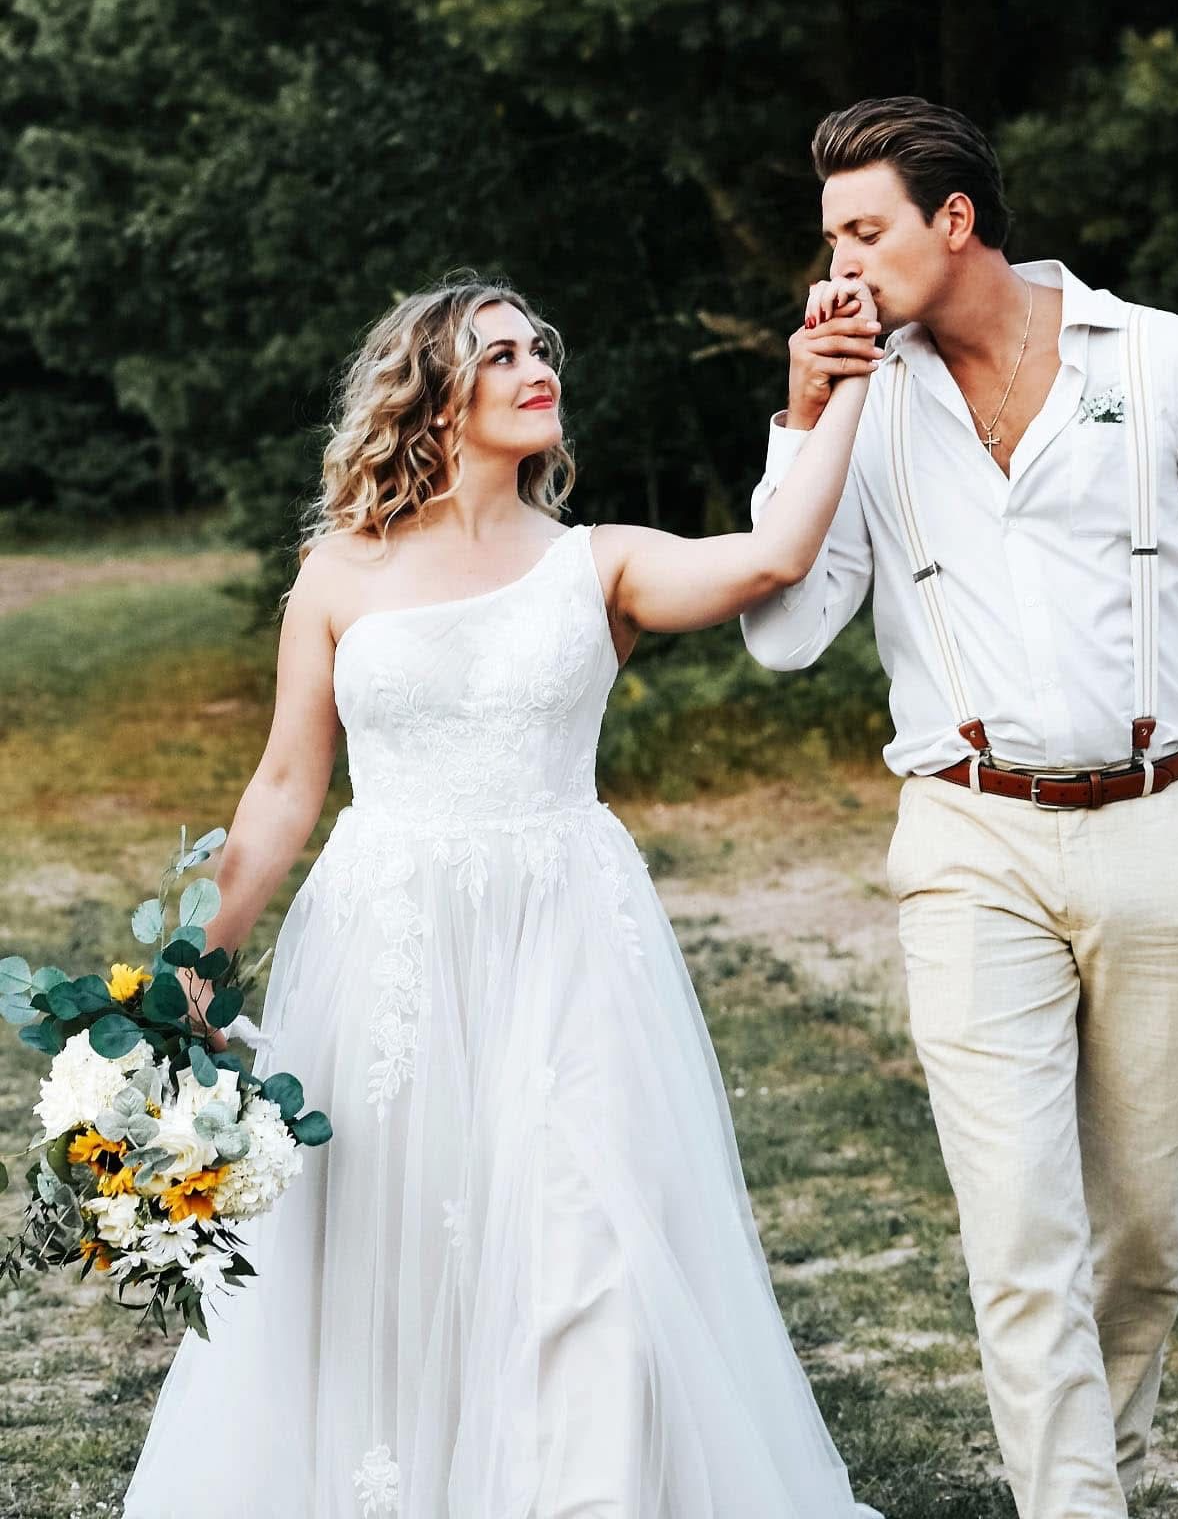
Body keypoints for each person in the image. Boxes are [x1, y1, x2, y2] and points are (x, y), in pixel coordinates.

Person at [123, 277, 882, 1519]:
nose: (539, 368)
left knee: (590, 1244)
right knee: (398, 1248)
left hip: (570, 934)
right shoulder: (336, 575)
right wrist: (193, 962)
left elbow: (778, 555)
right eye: (501, 354)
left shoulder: (603, 563)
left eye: (542, 349)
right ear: (433, 395)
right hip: (389, 945)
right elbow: (279, 787)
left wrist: (837, 386)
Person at [741, 95, 1178, 1519]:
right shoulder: (862, 406)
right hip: (965, 839)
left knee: (1138, 1244)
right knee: (1019, 1237)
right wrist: (804, 417)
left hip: (1162, 829)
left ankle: (1100, 1480)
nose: (841, 270)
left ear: (954, 222)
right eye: (829, 241)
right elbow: (785, 631)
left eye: (864, 232)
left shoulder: (1172, 363)